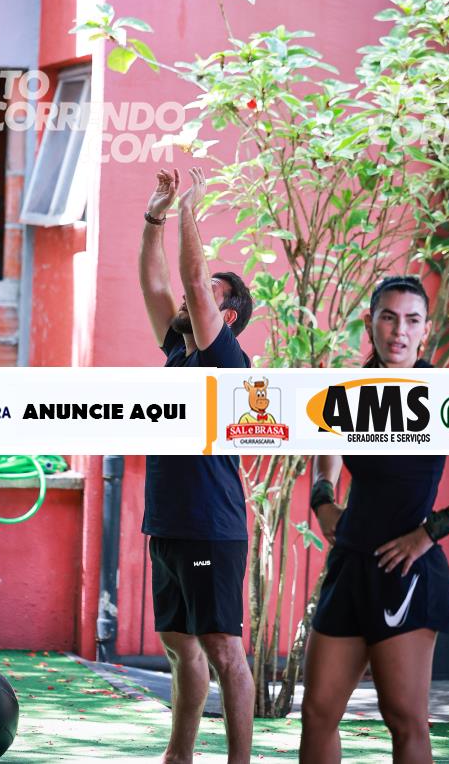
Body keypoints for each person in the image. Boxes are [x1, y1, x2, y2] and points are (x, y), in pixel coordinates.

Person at [299, 275, 449, 764]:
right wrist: (323, 498)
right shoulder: (349, 389)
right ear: (370, 323)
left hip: (405, 571)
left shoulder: (443, 394)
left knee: (404, 719)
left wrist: (430, 532)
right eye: (388, 317)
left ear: (426, 329)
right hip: (349, 564)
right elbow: (326, 446)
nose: (399, 330)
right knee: (317, 713)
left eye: (411, 320)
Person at [139, 165, 255, 764]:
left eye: (207, 293)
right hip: (168, 522)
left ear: (226, 316)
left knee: (222, 649)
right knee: (179, 646)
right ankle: (178, 757)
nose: (191, 296)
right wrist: (154, 216)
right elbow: (157, 282)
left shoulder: (224, 357)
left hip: (212, 524)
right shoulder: (180, 352)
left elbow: (187, 276)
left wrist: (189, 206)